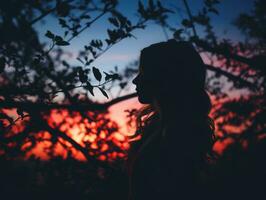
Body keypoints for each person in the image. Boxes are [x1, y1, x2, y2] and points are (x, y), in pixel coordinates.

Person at [126, 39, 215, 200]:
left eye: (143, 72)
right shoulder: (165, 131)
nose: (135, 80)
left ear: (163, 76)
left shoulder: (174, 138)